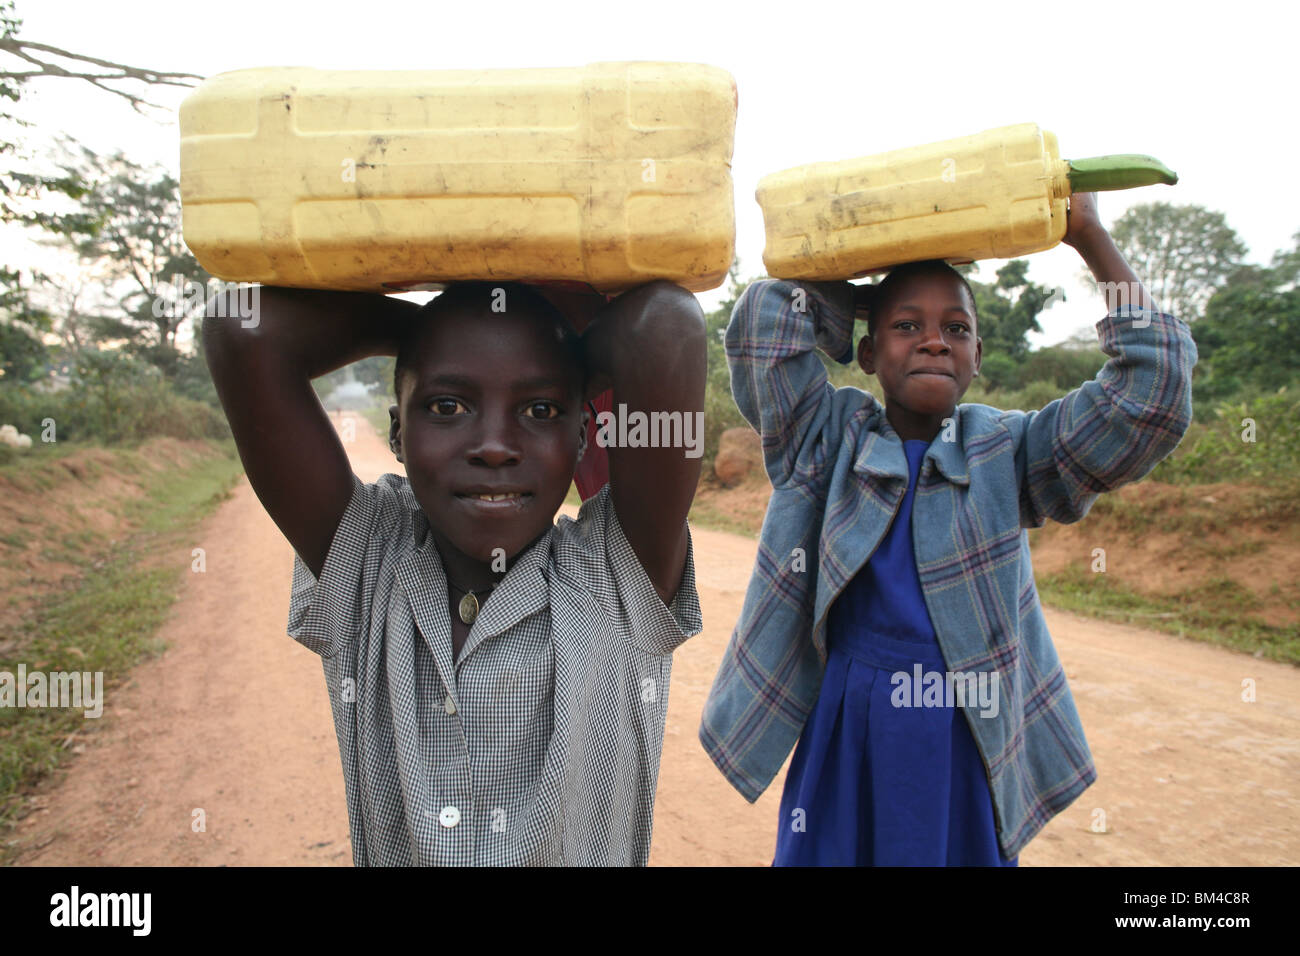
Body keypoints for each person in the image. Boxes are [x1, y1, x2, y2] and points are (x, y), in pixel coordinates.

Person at [699, 192, 1197, 865]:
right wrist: (851, 260)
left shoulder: (1009, 452)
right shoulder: (824, 439)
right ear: (869, 352)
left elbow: (1153, 392)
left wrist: (1089, 235)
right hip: (849, 725)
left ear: (978, 355)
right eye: (907, 325)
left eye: (956, 328)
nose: (935, 339)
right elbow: (764, 326)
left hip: (965, 727)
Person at [204, 279, 706, 865]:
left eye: (540, 410)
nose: (494, 446)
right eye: (448, 405)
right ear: (397, 432)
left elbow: (665, 327)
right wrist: (425, 328)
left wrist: (551, 345)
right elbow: (242, 328)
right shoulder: (370, 559)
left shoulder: (615, 572)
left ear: (580, 437)